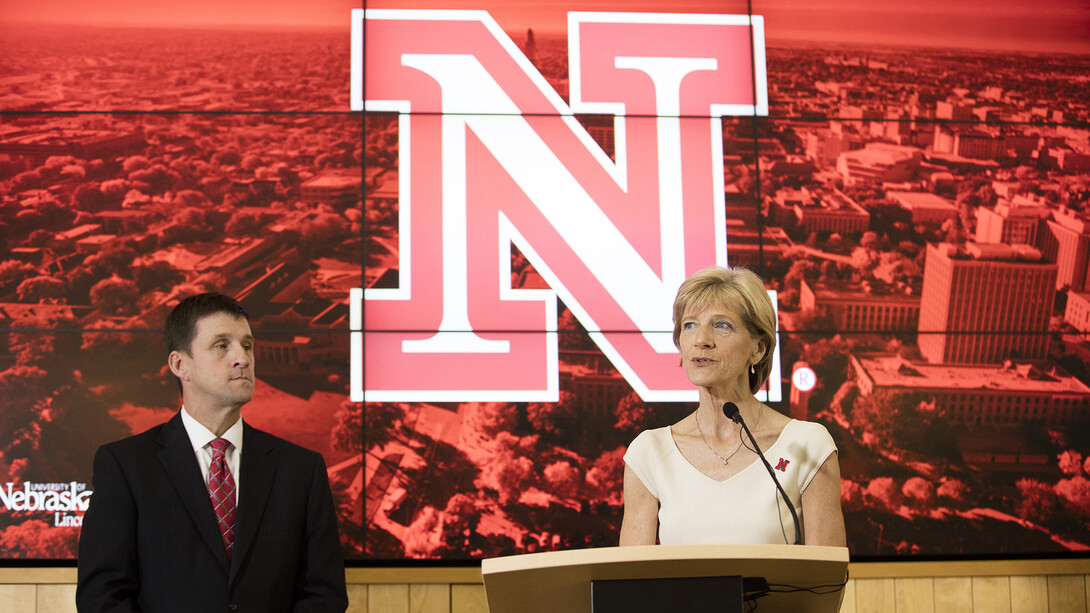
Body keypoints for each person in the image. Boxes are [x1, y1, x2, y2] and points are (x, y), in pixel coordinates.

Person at [77, 293, 349, 613]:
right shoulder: (125, 466)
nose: (243, 358)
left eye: (247, 345)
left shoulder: (302, 470)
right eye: (222, 345)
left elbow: (325, 597)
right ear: (180, 365)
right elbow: (102, 596)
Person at [620, 266, 845, 547]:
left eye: (721, 325)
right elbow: (629, 584)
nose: (701, 340)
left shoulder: (807, 446)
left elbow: (826, 580)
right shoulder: (649, 452)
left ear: (758, 348)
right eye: (689, 325)